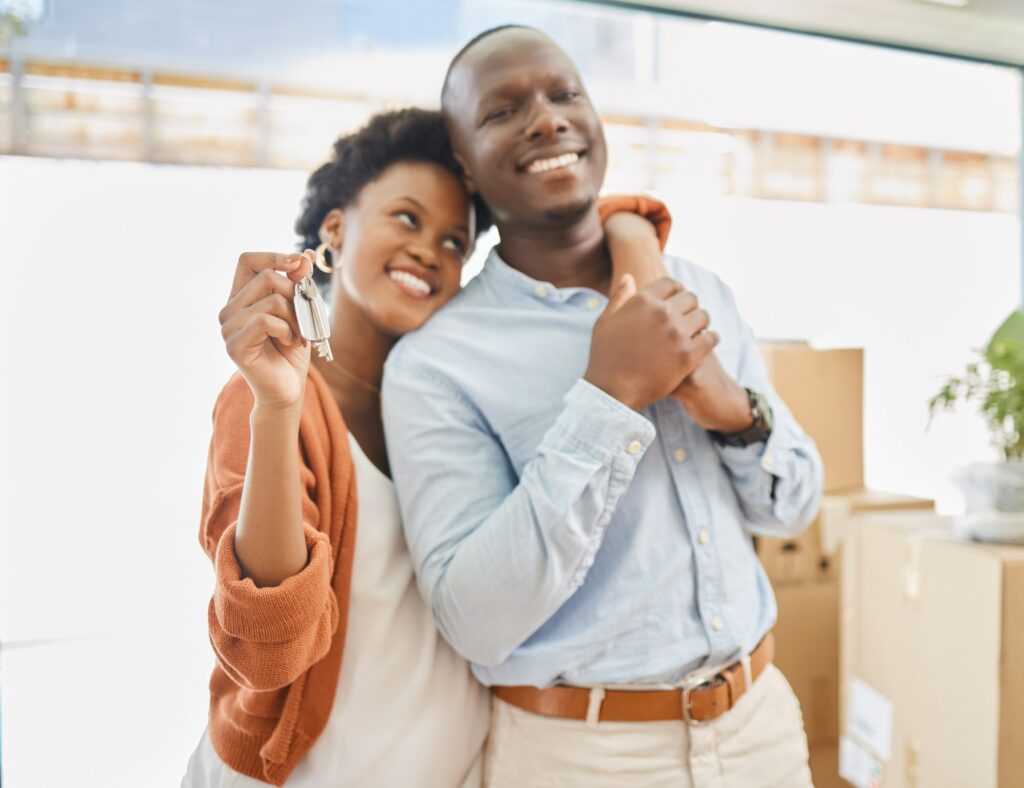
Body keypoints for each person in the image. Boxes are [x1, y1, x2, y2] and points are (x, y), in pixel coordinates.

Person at [381, 27, 826, 787]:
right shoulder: (436, 364)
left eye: (565, 94)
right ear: (465, 164)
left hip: (761, 730)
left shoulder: (700, 289)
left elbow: (793, 509)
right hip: (585, 758)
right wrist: (607, 397)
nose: (548, 119)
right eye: (503, 111)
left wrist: (734, 410)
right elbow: (475, 621)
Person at [181, 106, 673, 787]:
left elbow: (575, 226)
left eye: (454, 243)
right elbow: (268, 653)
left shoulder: (459, 395)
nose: (429, 252)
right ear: (335, 229)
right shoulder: (272, 401)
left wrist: (627, 224)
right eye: (406, 219)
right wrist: (277, 406)